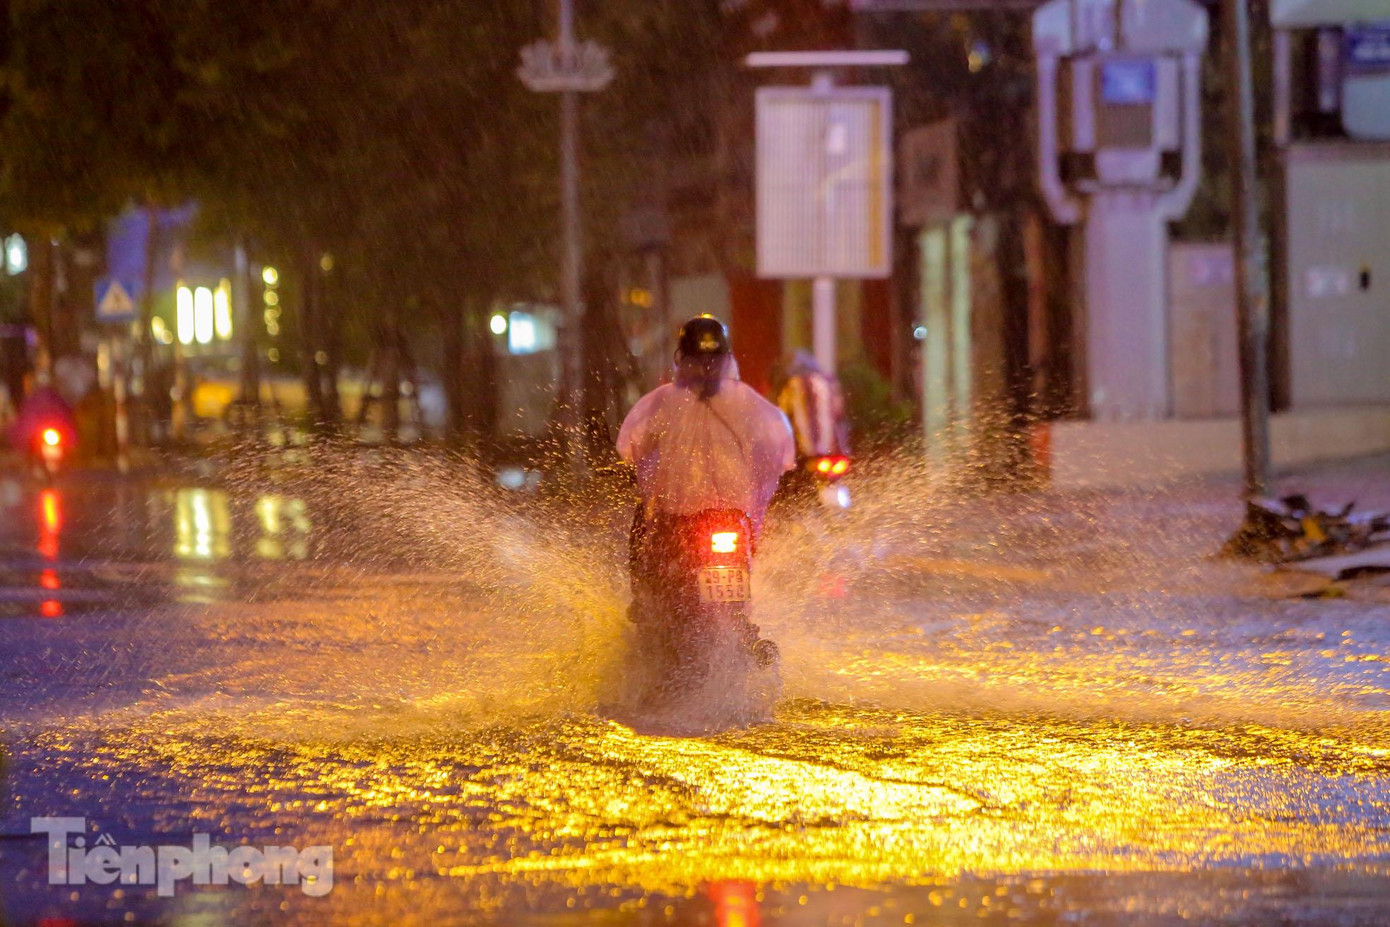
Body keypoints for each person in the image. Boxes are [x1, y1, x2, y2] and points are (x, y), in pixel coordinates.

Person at [617, 316, 795, 632]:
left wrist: (626, 469)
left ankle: (644, 603)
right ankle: (735, 622)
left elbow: (632, 448)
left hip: (678, 516)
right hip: (734, 516)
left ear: (680, 356)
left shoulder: (662, 401)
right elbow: (776, 450)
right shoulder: (749, 402)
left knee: (645, 537)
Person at [776, 349, 850, 464]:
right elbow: (839, 411)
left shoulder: (788, 384)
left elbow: (780, 415)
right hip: (830, 452)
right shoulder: (827, 381)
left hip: (802, 454)